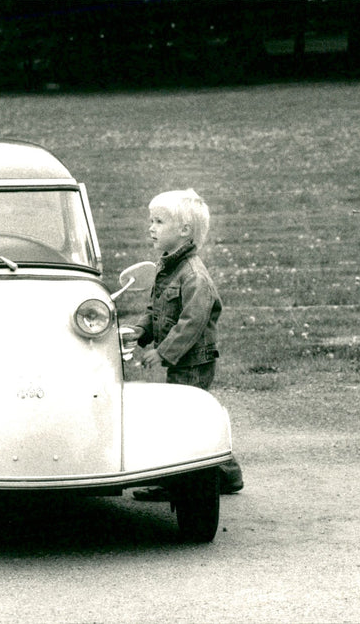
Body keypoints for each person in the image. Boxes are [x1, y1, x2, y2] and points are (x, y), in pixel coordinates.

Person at [126, 189, 243, 500]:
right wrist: (139, 331)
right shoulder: (168, 268)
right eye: (151, 221)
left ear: (184, 231)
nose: (151, 228)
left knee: (184, 419)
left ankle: (177, 483)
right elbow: (155, 309)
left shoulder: (193, 276)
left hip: (193, 362)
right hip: (184, 359)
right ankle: (225, 473)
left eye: (159, 222)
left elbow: (192, 322)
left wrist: (163, 353)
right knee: (186, 417)